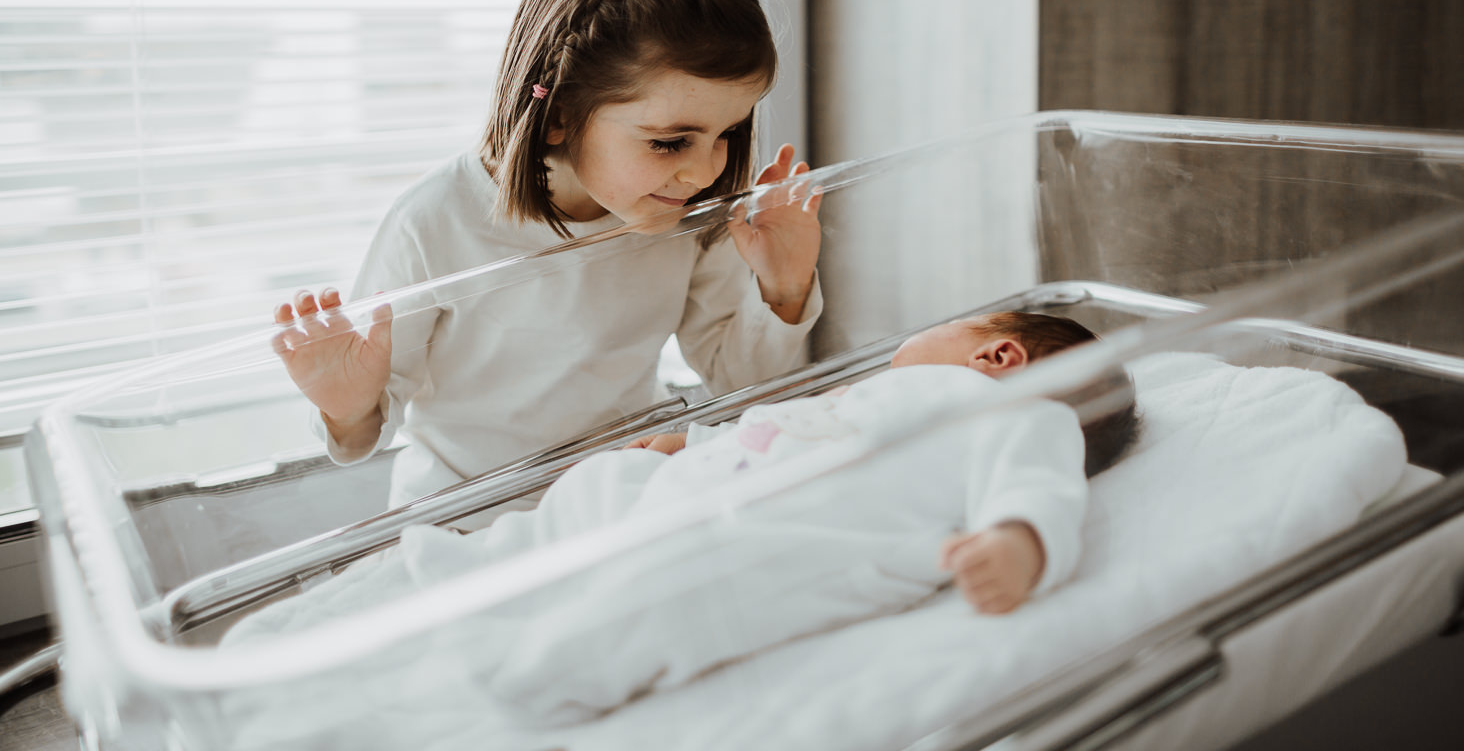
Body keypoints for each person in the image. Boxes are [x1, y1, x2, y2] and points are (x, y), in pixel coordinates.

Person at [227, 311, 1138, 728]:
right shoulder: (882, 400)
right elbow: (767, 427)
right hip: (712, 490)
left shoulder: (1025, 414)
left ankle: (523, 682)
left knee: (672, 595)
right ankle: (475, 578)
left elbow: (1043, 488)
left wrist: (1020, 545)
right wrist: (678, 451)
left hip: (777, 542)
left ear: (1001, 353)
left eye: (951, 326)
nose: (911, 342)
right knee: (591, 498)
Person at [269, 0, 825, 512]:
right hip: (473, 518)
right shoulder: (434, 221)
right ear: (559, 114)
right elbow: (362, 437)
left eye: (728, 134)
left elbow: (741, 384)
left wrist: (784, 286)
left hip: (627, 494)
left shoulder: (681, 211)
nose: (705, 170)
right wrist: (346, 405)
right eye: (669, 142)